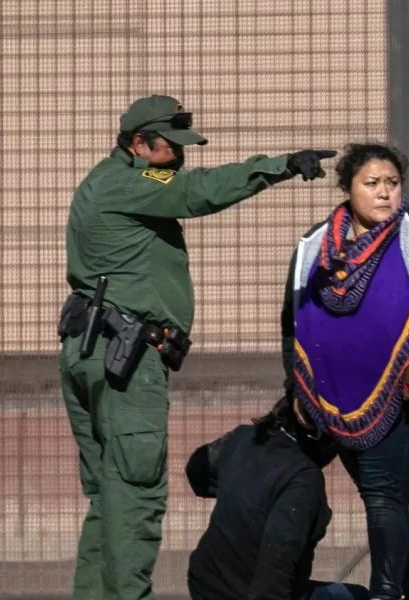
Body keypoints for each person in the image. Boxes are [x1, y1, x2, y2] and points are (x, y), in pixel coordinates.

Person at [56, 94, 336, 600]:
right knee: (135, 495)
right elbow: (197, 192)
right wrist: (280, 167)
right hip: (124, 357)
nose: (179, 157)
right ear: (137, 143)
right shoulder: (129, 180)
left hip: (91, 347)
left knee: (109, 498)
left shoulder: (107, 181)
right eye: (170, 147)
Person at [280, 142, 409, 600]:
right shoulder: (315, 246)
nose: (384, 193)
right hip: (329, 395)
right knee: (335, 487)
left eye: (392, 183)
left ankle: (388, 592)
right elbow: (293, 321)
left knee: (383, 495)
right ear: (348, 188)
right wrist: (296, 387)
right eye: (372, 184)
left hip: (403, 393)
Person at [185, 398, 371, 600]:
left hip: (205, 584)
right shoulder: (303, 480)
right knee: (359, 596)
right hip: (248, 592)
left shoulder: (244, 438)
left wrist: (244, 490)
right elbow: (275, 568)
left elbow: (197, 469)